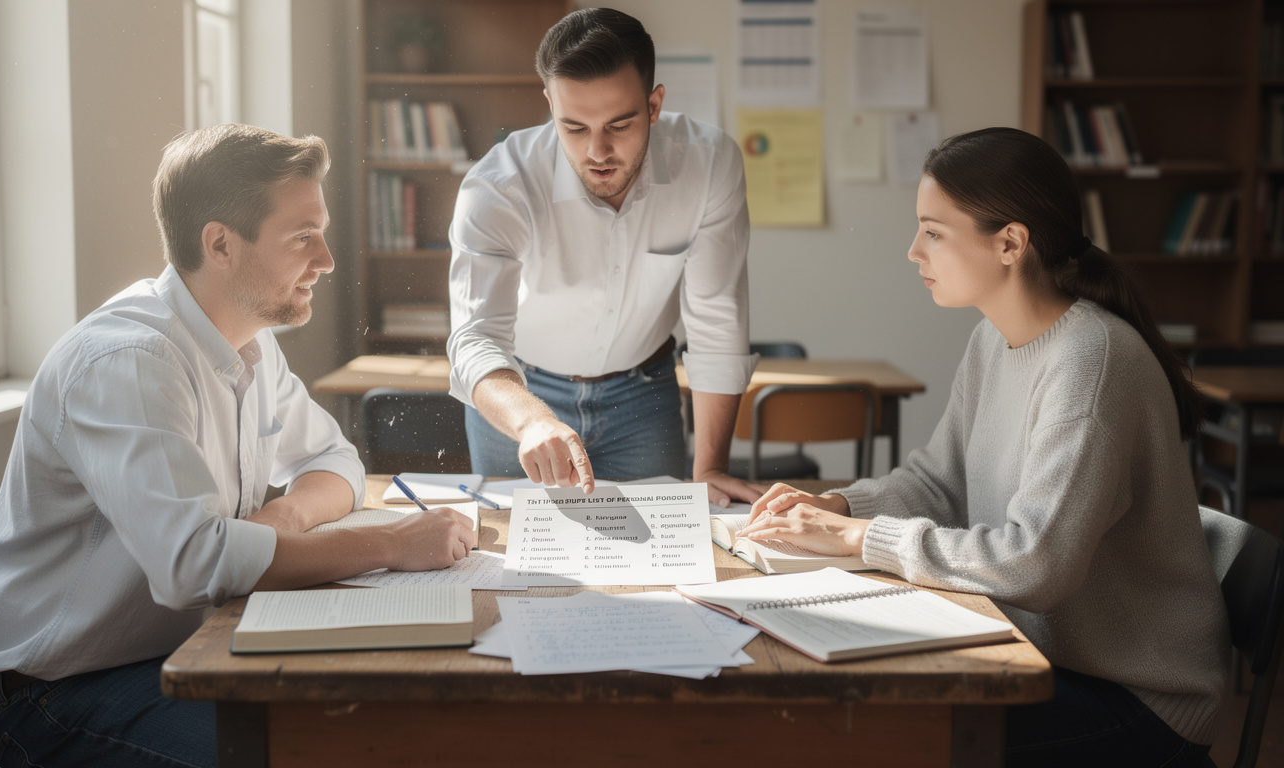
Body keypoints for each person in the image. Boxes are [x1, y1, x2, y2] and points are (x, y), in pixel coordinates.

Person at [0, 124, 476, 768]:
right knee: (321, 751)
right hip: (60, 699)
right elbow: (195, 564)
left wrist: (283, 518)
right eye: (302, 237)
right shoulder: (129, 362)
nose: (327, 258)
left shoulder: (248, 341)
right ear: (221, 244)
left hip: (186, 650)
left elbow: (335, 460)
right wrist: (393, 545)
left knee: (386, 720)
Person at [739, 127, 1229, 766]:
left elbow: (1036, 563)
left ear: (1010, 243)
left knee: (861, 729)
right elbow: (940, 481)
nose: (914, 251)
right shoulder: (994, 340)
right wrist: (841, 507)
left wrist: (861, 542)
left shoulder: (1092, 360)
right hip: (1039, 651)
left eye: (934, 232)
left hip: (1137, 697)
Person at [447, 8, 758, 505]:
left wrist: (711, 467)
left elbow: (717, 321)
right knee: (514, 566)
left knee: (656, 564)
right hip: (521, 393)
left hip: (643, 397)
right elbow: (475, 338)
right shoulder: (498, 187)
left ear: (654, 105)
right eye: (573, 126)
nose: (598, 151)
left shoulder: (709, 165)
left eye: (620, 124)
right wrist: (532, 421)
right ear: (549, 104)